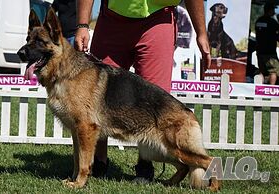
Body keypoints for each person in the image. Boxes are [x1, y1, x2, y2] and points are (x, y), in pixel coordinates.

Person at [75, 0, 211, 181]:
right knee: (95, 97)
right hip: (113, 20)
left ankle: (145, 166)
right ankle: (97, 163)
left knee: (156, 102)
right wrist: (83, 25)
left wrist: (201, 33)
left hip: (158, 19)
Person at [255, 2, 279, 84]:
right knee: (273, 71)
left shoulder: (258, 21)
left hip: (260, 51)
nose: (274, 12)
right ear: (270, 10)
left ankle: (260, 89)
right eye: (273, 9)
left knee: (261, 71)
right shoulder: (272, 22)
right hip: (270, 52)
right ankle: (271, 90)